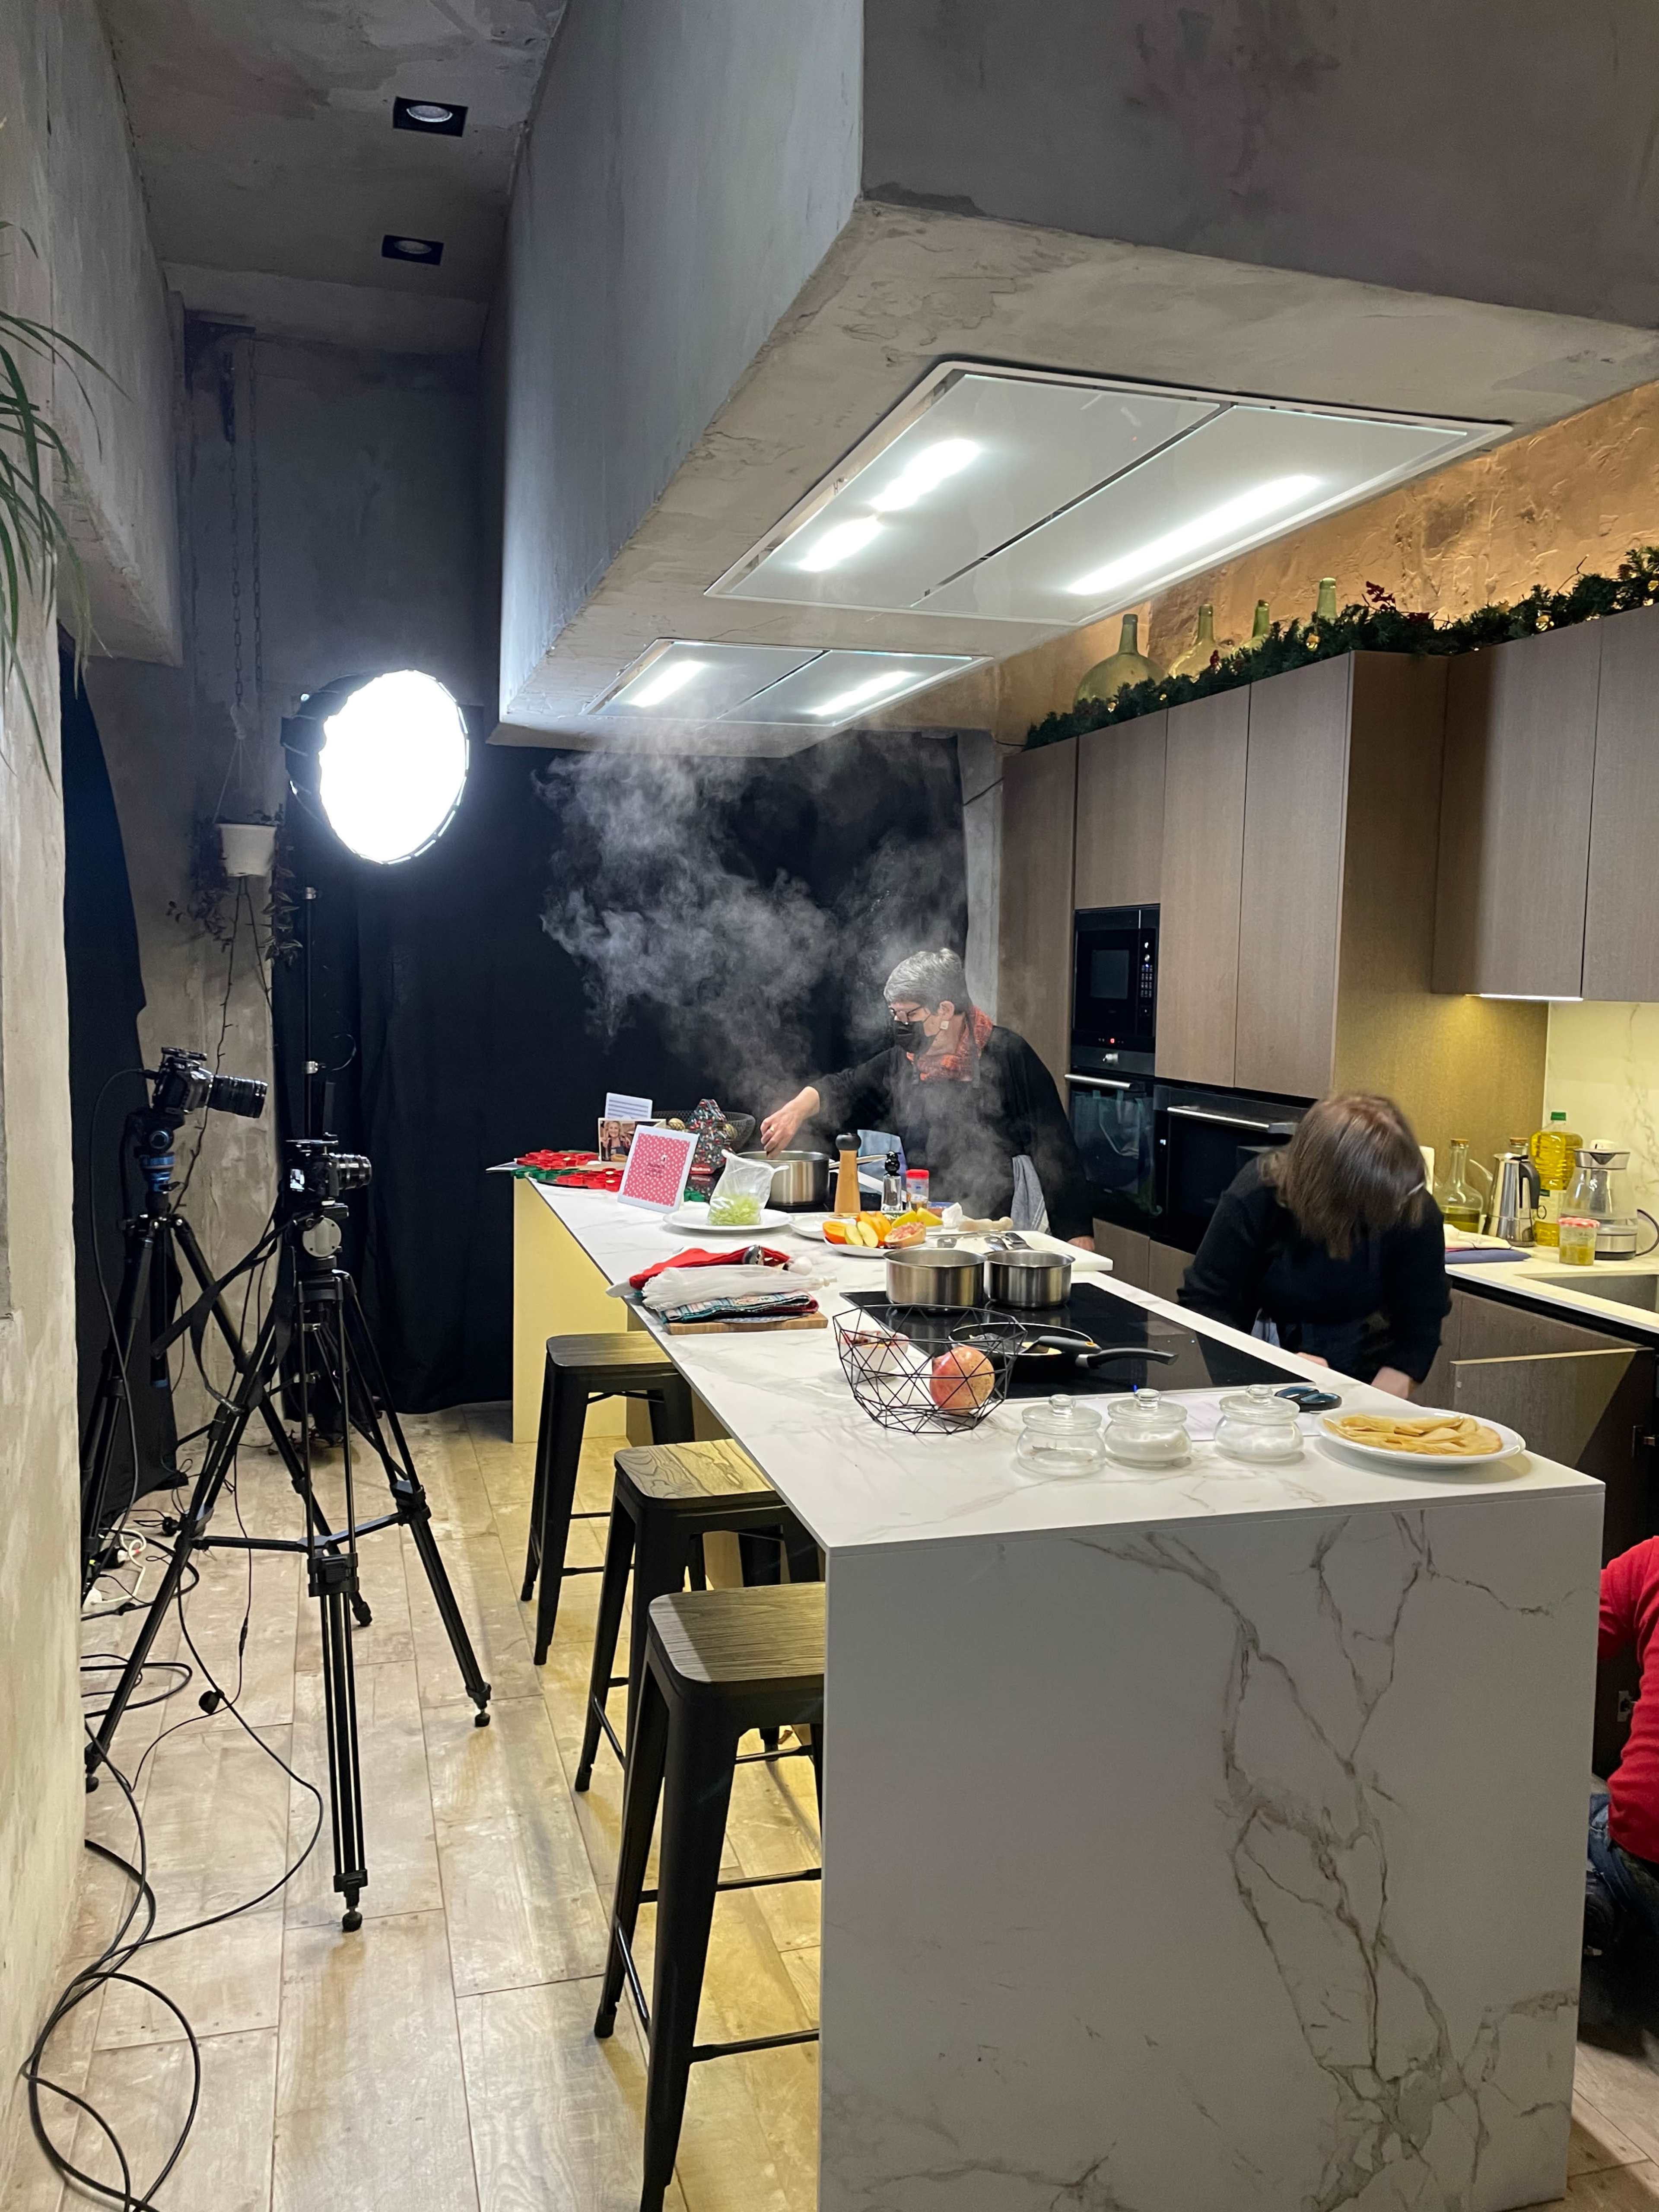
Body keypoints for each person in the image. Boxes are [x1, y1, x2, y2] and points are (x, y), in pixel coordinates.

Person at [760, 947, 1094, 1247]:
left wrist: (1078, 1238)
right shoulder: (902, 1063)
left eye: (910, 1015)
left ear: (945, 1010)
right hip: (926, 1232)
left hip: (997, 1235)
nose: (900, 1025)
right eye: (895, 1015)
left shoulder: (1008, 1055)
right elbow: (845, 1088)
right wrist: (795, 1111)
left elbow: (1056, 1151)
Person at [1177, 1092, 1447, 1395]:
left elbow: (1421, 1322)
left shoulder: (1411, 1206)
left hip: (1368, 1361)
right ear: (1324, 1194)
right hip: (1267, 1362)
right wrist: (1271, 1368)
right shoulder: (1258, 1195)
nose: (1382, 1213)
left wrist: (1382, 1398)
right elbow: (1206, 1303)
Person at [1583, 1536, 1659, 2039]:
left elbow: (1559, 1631)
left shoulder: (1653, 1558)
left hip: (1645, 1853)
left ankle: (1599, 1895)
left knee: (1594, 1812)